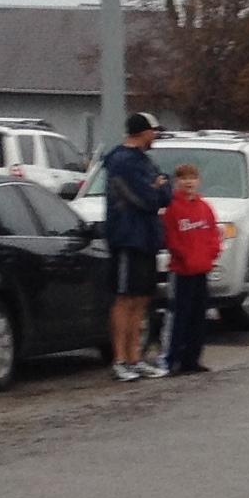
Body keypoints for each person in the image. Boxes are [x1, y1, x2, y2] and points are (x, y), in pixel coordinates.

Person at [98, 110, 172, 382]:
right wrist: (157, 188)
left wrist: (160, 187)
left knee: (141, 298)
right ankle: (120, 360)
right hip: (128, 238)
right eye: (154, 132)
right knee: (125, 298)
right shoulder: (121, 161)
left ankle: (135, 358)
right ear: (144, 131)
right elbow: (148, 199)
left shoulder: (144, 160)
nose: (156, 137)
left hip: (147, 238)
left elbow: (166, 191)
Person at [160, 161, 223, 377]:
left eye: (192, 178)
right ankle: (172, 359)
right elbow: (171, 238)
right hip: (181, 271)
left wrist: (210, 255)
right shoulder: (172, 208)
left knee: (198, 316)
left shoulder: (205, 207)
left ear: (199, 181)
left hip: (201, 270)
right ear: (176, 182)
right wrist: (185, 257)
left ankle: (192, 359)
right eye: (184, 178)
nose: (189, 182)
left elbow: (213, 235)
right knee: (179, 316)